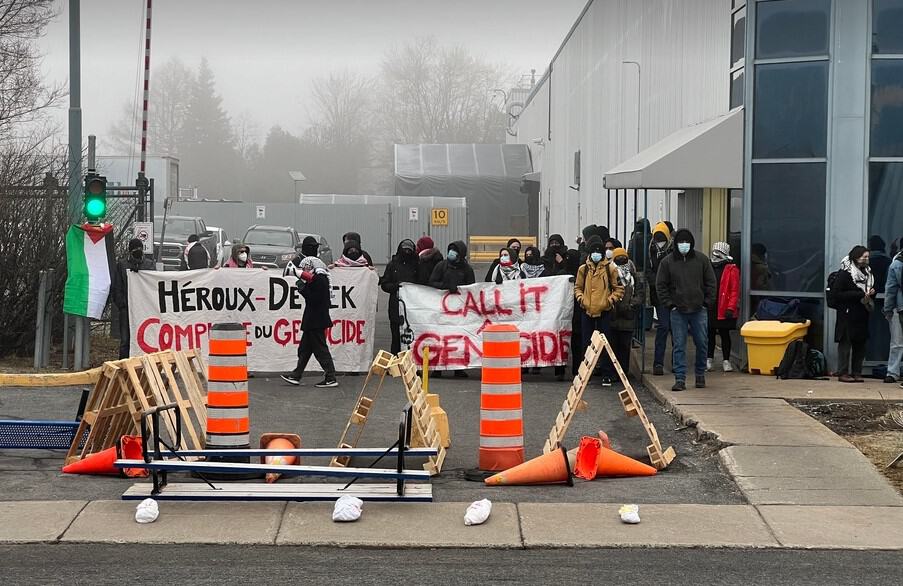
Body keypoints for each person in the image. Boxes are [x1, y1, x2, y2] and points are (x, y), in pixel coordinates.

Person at [656, 229, 716, 391]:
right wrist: (669, 304)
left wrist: (707, 303)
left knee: (702, 343)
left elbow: (711, 282)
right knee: (679, 345)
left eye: (687, 242)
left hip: (699, 310)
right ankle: (680, 378)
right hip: (678, 311)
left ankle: (700, 374)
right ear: (675, 244)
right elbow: (660, 285)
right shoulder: (667, 262)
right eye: (681, 242)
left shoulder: (702, 260)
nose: (684, 245)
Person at [281, 255, 338, 388]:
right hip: (313, 320)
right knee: (305, 349)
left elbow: (314, 299)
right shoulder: (319, 278)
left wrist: (302, 287)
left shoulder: (320, 279)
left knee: (320, 350)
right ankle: (296, 375)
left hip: (316, 321)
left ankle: (330, 377)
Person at [575, 236, 625, 387]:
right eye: (594, 252)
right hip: (587, 311)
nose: (596, 254)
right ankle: (585, 374)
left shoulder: (611, 269)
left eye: (599, 252)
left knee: (606, 344)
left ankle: (607, 374)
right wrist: (582, 300)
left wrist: (609, 301)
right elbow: (577, 287)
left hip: (604, 311)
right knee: (586, 344)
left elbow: (619, 289)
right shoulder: (583, 269)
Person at [429, 241, 476, 378]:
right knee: (440, 338)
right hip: (442, 309)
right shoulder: (441, 266)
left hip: (459, 311)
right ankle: (438, 368)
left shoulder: (467, 269)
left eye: (455, 251)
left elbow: (471, 288)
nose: (452, 253)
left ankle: (458, 367)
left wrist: (459, 288)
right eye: (450, 250)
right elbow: (431, 282)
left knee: (458, 339)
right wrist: (444, 286)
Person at [833, 246, 876, 383]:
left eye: (868, 257)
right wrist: (859, 294)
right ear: (856, 257)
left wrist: (871, 293)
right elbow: (837, 294)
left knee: (860, 343)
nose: (866, 260)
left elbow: (869, 289)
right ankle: (843, 372)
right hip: (847, 313)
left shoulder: (868, 273)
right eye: (864, 257)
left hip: (862, 313)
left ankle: (857, 372)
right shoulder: (845, 273)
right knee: (846, 343)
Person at [111, 238, 155, 359]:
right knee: (126, 340)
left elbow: (153, 285)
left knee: (145, 339)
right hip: (127, 309)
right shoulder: (122, 265)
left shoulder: (149, 265)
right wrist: (123, 305)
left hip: (144, 310)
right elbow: (117, 287)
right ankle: (124, 367)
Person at [706, 242, 740, 372]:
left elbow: (734, 291)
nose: (715, 255)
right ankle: (709, 359)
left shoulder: (732, 269)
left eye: (717, 253)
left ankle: (726, 360)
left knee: (725, 334)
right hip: (711, 306)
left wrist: (731, 308)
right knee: (710, 334)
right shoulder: (707, 267)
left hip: (725, 308)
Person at [381, 239, 419, 354]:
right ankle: (395, 363)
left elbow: (423, 283)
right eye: (404, 249)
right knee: (396, 337)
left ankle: (412, 363)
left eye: (409, 250)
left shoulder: (417, 264)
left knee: (413, 337)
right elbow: (385, 284)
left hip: (413, 307)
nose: (407, 252)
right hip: (395, 306)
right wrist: (396, 286)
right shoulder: (392, 265)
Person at [609, 247, 641, 382]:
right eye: (618, 257)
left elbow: (640, 293)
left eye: (623, 257)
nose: (621, 259)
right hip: (613, 315)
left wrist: (632, 305)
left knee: (625, 346)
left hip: (628, 315)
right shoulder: (610, 273)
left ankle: (624, 372)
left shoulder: (633, 275)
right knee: (613, 346)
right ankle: (613, 373)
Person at [647, 221, 672, 375]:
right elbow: (648, 270)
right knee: (663, 327)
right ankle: (658, 363)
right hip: (658, 294)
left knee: (675, 330)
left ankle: (676, 363)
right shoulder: (650, 250)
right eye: (657, 237)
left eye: (662, 237)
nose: (659, 240)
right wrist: (656, 282)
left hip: (673, 293)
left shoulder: (673, 250)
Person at [883, 242, 903, 384]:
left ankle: (893, 372)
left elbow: (891, 289)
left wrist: (888, 309)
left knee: (897, 342)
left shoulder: (896, 263)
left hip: (899, 308)